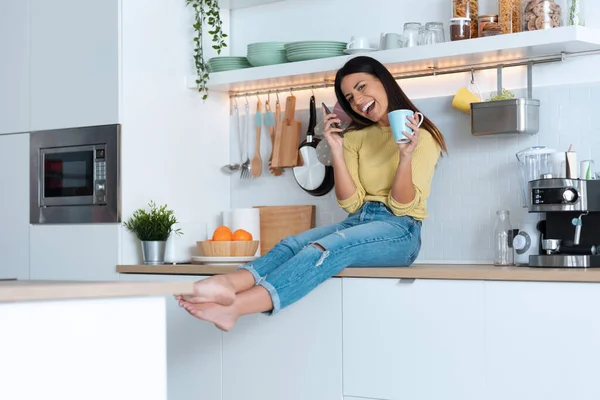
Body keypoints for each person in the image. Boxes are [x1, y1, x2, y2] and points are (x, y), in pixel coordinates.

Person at [176, 56, 448, 331]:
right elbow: (351, 204)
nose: (358, 101)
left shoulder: (422, 136)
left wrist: (405, 157)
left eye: (362, 87)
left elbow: (402, 208)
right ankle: (227, 284)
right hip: (358, 222)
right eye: (350, 98)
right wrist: (337, 150)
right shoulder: (354, 137)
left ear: (384, 80)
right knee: (291, 244)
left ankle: (235, 308)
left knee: (322, 249)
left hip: (401, 232)